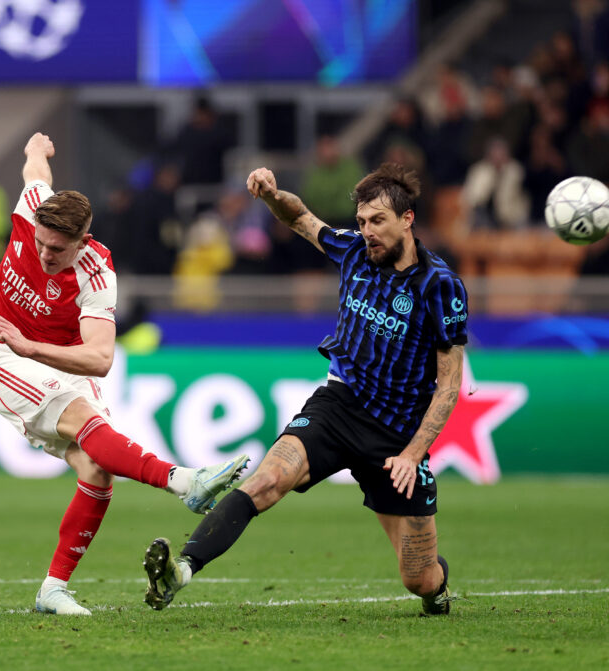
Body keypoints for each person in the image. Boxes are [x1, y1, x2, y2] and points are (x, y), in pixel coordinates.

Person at [142, 163, 468, 616]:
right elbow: (300, 218)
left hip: (396, 435)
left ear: (408, 219)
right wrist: (273, 195)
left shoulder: (440, 287)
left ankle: (437, 586)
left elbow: (450, 384)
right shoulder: (354, 252)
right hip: (339, 406)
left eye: (377, 221)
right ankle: (181, 570)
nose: (366, 231)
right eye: (361, 221)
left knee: (418, 577)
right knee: (267, 479)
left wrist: (413, 453)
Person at [0, 132, 249, 616]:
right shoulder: (31, 211)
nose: (44, 255)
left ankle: (52, 590)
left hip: (54, 358)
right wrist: (36, 148)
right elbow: (35, 173)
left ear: (82, 240)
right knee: (85, 420)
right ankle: (184, 481)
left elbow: (101, 358)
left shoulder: (96, 272)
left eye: (57, 249)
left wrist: (34, 345)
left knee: (97, 469)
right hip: (5, 356)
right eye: (41, 243)